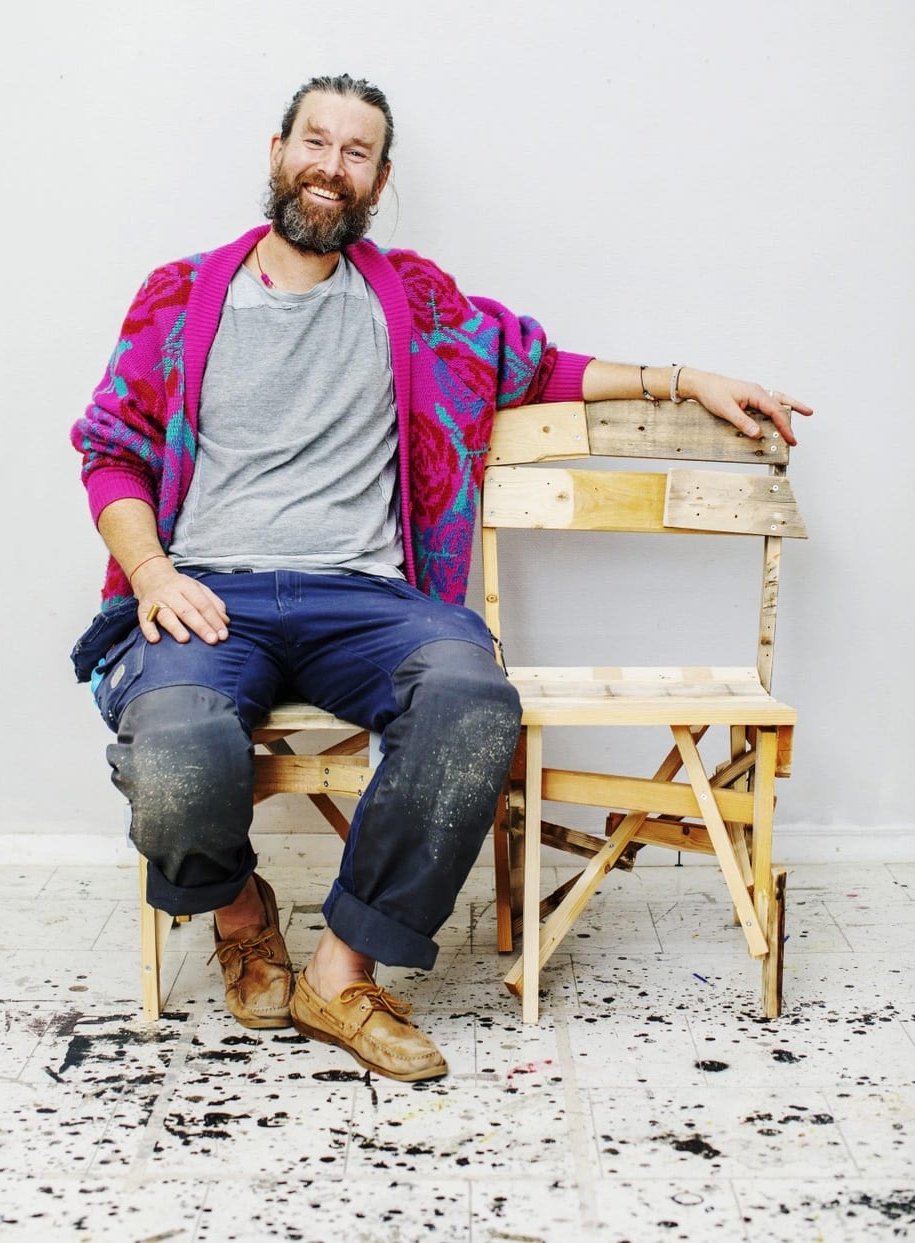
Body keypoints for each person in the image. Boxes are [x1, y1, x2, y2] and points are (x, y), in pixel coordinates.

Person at [71, 72, 811, 1082]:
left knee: (471, 701)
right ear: (278, 151)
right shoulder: (180, 295)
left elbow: (539, 367)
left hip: (370, 599)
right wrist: (151, 573)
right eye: (315, 141)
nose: (332, 166)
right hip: (209, 592)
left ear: (379, 180)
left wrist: (685, 380)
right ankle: (242, 915)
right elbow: (112, 450)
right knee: (175, 752)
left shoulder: (413, 303)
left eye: (357, 152)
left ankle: (341, 971)